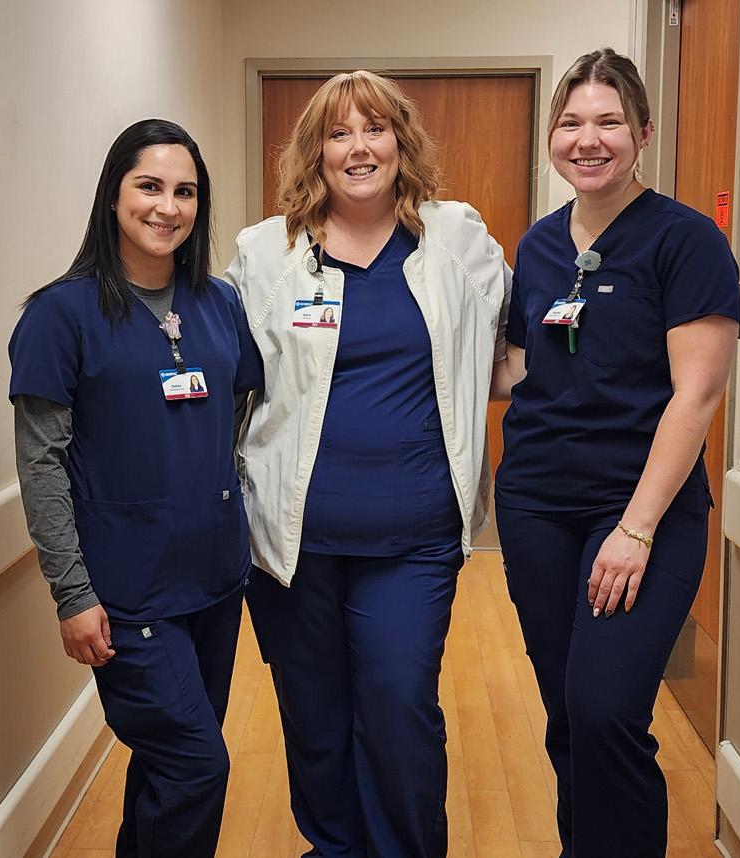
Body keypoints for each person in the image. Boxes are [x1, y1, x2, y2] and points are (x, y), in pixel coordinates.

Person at [226, 70, 511, 857]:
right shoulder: (264, 252)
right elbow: (225, 375)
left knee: (397, 704)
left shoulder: (455, 237)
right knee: (314, 718)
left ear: (401, 142)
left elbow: (509, 344)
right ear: (314, 153)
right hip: (291, 543)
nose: (359, 148)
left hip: (415, 536)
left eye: (375, 129)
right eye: (338, 133)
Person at [489, 48, 740, 858]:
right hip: (535, 504)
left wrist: (633, 531)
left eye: (607, 122)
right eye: (570, 123)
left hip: (642, 510)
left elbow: (697, 394)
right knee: (570, 710)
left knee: (605, 707)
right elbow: (530, 364)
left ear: (642, 132)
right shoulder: (537, 247)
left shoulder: (685, 240)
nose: (586, 139)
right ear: (552, 137)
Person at [8, 118, 262, 857]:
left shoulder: (217, 305)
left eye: (185, 191)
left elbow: (243, 412)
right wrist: (72, 592)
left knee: (166, 764)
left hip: (215, 582)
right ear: (113, 196)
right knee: (196, 765)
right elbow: (41, 462)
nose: (167, 206)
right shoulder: (62, 314)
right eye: (149, 187)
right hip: (128, 592)